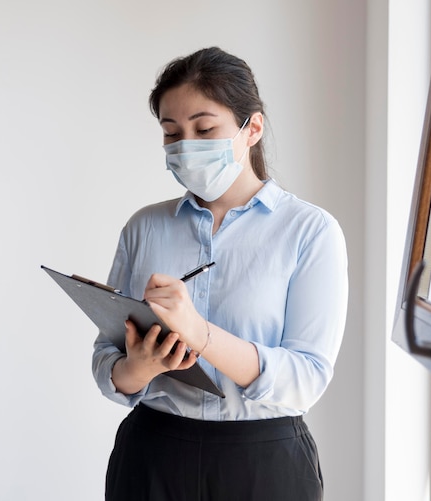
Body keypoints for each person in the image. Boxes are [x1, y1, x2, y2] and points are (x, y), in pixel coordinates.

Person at [92, 46, 348, 500]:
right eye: (172, 133)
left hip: (263, 463)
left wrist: (200, 333)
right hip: (151, 456)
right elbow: (106, 364)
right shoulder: (144, 227)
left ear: (252, 128)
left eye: (205, 128)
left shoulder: (310, 231)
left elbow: (306, 379)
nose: (186, 145)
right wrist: (139, 366)